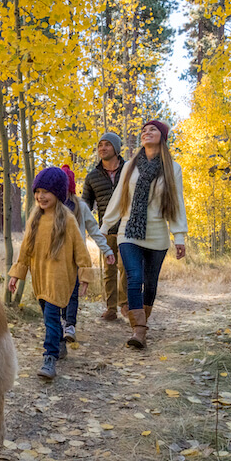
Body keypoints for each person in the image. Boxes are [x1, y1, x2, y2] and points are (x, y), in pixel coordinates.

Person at [101, 120, 187, 349]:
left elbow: (177, 203)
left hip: (157, 233)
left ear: (162, 137)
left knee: (150, 284)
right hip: (128, 231)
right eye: (144, 130)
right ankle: (138, 330)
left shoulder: (172, 168)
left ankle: (142, 321)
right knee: (134, 277)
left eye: (153, 130)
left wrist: (179, 235)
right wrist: (104, 227)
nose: (147, 133)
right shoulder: (130, 165)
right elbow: (118, 197)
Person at [7, 167, 93, 381]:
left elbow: (80, 250)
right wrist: (16, 274)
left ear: (58, 193)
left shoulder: (68, 220)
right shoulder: (35, 219)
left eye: (46, 191)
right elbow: (25, 250)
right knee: (50, 317)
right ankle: (60, 343)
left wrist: (85, 275)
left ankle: (49, 358)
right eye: (38, 191)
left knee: (51, 319)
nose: (41, 196)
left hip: (60, 279)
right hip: (40, 279)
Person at [59, 164, 116, 344]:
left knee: (72, 292)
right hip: (55, 259)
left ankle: (69, 325)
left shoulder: (81, 207)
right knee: (59, 291)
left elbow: (94, 231)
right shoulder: (52, 207)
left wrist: (107, 250)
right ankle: (61, 321)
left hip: (76, 259)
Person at [81, 132, 128, 322]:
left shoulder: (129, 171)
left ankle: (125, 304)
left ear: (116, 148)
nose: (102, 148)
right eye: (100, 145)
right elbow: (85, 204)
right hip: (106, 231)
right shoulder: (92, 176)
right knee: (109, 271)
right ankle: (111, 309)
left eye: (107, 144)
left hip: (129, 229)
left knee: (126, 268)